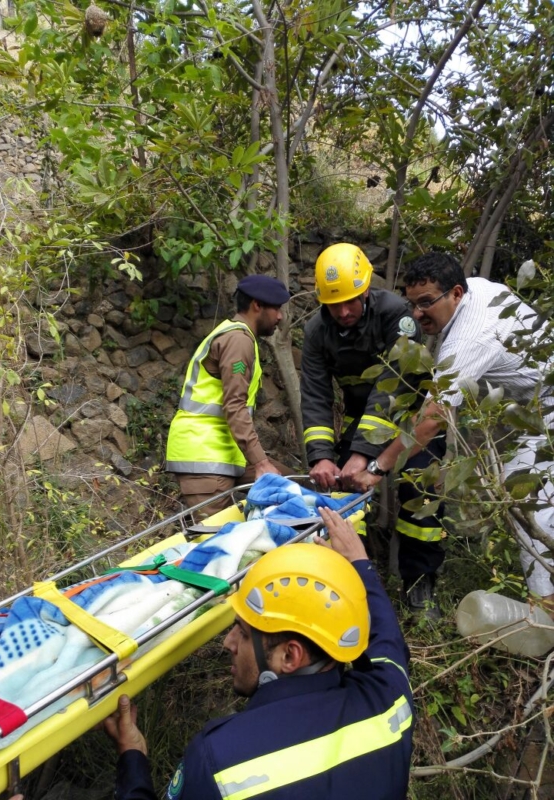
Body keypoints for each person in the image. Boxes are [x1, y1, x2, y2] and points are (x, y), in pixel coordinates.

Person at [104, 506, 414, 800]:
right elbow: (386, 637)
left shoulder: (219, 761)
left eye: (243, 630)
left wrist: (132, 756)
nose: (228, 643)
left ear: (289, 657)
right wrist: (358, 562)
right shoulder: (390, 698)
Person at [350, 252, 554, 611]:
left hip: (546, 405)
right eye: (413, 304)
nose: (417, 314)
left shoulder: (469, 337)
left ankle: (546, 608)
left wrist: (376, 469)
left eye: (427, 303)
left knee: (527, 499)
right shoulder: (474, 290)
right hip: (536, 405)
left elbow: (432, 418)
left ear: (456, 293)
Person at [301, 242, 446, 617]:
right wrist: (321, 458)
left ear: (366, 289)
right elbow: (315, 395)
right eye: (335, 304)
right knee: (344, 498)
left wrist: (364, 455)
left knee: (419, 491)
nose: (345, 311)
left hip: (414, 422)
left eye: (351, 301)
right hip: (361, 421)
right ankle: (355, 582)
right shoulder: (317, 331)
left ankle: (419, 583)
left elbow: (394, 384)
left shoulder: (397, 314)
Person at [166, 274, 292, 518]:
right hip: (205, 455)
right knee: (214, 545)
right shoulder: (238, 341)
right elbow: (234, 406)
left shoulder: (237, 336)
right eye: (276, 308)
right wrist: (261, 463)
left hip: (222, 453)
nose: (280, 316)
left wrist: (262, 462)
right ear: (257, 305)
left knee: (290, 481)